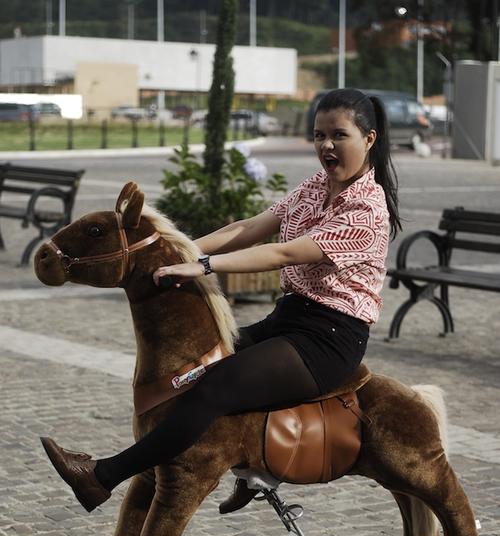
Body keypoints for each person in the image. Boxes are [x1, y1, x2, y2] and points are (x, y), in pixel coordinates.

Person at [41, 87, 401, 514]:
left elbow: (283, 252)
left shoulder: (367, 209)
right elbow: (251, 225)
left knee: (215, 388)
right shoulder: (314, 187)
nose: (326, 145)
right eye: (319, 135)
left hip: (329, 338)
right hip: (289, 317)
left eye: (338, 135)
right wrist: (180, 253)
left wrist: (205, 266)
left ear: (369, 140)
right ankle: (252, 465)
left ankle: (101, 478)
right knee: (197, 367)